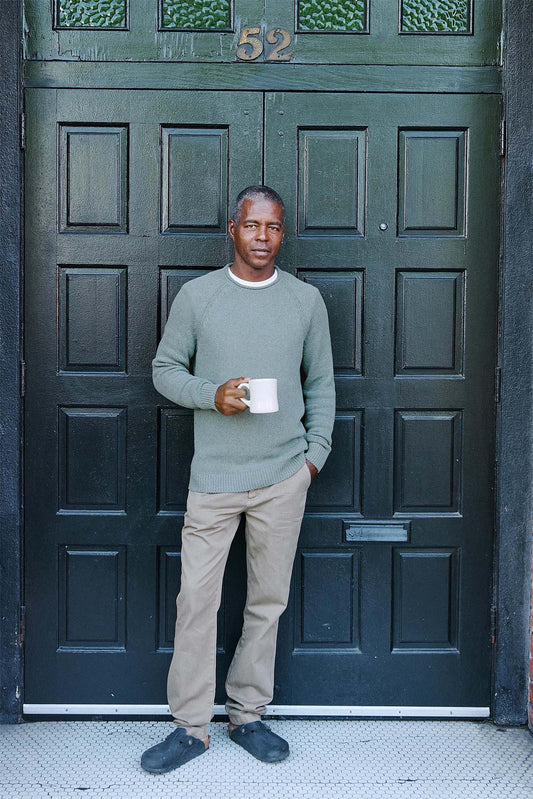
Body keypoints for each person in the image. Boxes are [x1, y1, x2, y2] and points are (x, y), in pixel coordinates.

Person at [141, 185, 335, 774]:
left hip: (283, 475)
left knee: (266, 601)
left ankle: (247, 715)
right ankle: (190, 728)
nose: (262, 238)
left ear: (283, 233)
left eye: (273, 227)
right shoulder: (199, 297)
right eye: (252, 226)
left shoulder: (305, 301)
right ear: (233, 229)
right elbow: (164, 370)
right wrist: (211, 395)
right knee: (197, 601)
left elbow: (321, 385)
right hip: (216, 478)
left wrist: (311, 460)